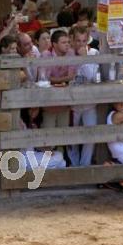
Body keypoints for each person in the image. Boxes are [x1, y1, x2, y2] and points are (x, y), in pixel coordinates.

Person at [67, 26, 99, 167]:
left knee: (90, 135)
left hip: (89, 102)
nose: (81, 44)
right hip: (71, 104)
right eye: (78, 41)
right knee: (72, 137)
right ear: (72, 40)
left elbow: (91, 76)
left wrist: (84, 58)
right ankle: (75, 167)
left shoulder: (93, 53)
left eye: (84, 40)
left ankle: (84, 166)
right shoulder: (67, 54)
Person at [40, 30, 76, 129]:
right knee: (48, 132)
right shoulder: (46, 55)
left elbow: (72, 76)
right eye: (63, 42)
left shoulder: (71, 53)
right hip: (49, 100)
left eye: (68, 42)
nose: (67, 45)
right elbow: (44, 79)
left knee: (64, 132)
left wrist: (54, 80)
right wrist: (64, 79)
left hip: (65, 99)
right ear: (54, 44)